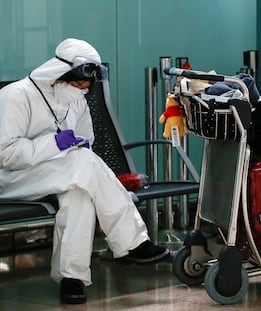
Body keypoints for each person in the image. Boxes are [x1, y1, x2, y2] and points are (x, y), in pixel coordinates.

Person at [0, 38, 170, 304]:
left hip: (59, 174)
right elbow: (5, 155)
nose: (81, 91)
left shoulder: (76, 101)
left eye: (86, 87)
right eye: (77, 84)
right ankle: (132, 242)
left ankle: (73, 278)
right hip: (12, 178)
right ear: (58, 75)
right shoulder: (16, 96)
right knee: (82, 165)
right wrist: (53, 144)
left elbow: (85, 142)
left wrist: (71, 148)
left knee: (79, 191)